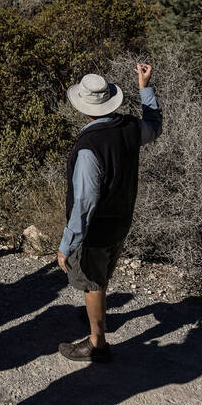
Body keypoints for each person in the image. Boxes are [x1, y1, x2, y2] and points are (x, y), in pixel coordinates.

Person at [57, 63, 163, 363]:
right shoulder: (129, 128)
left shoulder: (90, 147)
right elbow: (154, 126)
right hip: (122, 218)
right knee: (102, 274)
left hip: (96, 229)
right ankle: (96, 316)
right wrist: (145, 88)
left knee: (92, 279)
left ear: (84, 107)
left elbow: (85, 203)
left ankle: (97, 343)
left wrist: (66, 245)